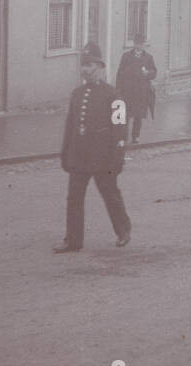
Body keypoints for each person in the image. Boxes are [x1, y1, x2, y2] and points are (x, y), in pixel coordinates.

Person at [54, 43, 130, 253]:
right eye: (83, 65)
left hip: (102, 158)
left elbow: (120, 130)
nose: (85, 69)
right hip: (79, 157)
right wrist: (65, 153)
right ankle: (73, 241)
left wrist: (117, 158)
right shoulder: (77, 94)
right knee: (74, 198)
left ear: (100, 66)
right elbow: (71, 126)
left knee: (109, 194)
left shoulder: (113, 95)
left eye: (89, 65)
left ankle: (123, 230)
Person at [115, 33, 157, 144]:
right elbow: (119, 73)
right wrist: (118, 90)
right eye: (137, 44)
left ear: (144, 45)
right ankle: (124, 136)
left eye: (141, 44)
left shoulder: (148, 58)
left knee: (138, 116)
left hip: (141, 92)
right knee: (125, 115)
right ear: (134, 44)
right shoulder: (126, 56)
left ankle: (135, 136)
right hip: (127, 91)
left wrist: (148, 73)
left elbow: (154, 72)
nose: (138, 46)